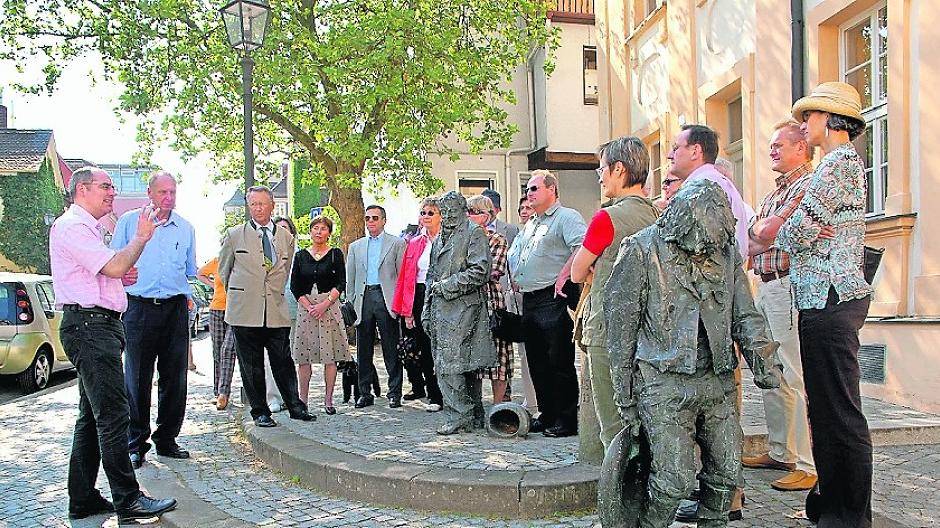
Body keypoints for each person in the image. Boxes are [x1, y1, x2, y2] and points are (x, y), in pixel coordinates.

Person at [601, 179, 781, 528]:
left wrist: (763, 361)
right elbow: (620, 332)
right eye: (699, 248)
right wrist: (625, 398)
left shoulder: (725, 250)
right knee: (674, 480)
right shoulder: (640, 250)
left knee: (728, 472)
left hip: (717, 379)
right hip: (662, 382)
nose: (706, 254)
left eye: (711, 248)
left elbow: (745, 315)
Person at [51, 166, 177, 523]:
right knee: (113, 415)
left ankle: (83, 499)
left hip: (95, 326)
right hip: (90, 329)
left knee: (91, 417)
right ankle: (128, 499)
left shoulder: (88, 228)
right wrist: (140, 239)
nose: (112, 192)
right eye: (106, 186)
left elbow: (109, 271)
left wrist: (117, 276)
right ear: (82, 190)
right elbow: (116, 266)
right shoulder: (73, 227)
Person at [776, 82, 874, 528]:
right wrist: (797, 227)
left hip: (832, 300)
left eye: (810, 116)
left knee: (838, 413)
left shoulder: (838, 164)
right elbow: (799, 229)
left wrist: (789, 228)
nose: (803, 124)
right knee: (826, 411)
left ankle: (848, 515)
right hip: (822, 299)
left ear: (833, 120)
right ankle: (831, 504)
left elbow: (793, 232)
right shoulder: (834, 164)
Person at [570, 136, 660, 449]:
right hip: (649, 331)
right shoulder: (658, 216)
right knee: (647, 420)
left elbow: (577, 272)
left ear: (619, 170)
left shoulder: (607, 218)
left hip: (608, 330)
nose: (600, 176)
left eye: (602, 169)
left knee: (613, 426)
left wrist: (596, 269)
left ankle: (620, 481)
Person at [743, 119, 817, 492]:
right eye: (771, 145)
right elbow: (752, 237)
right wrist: (762, 234)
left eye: (778, 145)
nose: (771, 151)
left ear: (800, 148)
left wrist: (763, 234)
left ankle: (807, 463)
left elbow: (770, 233)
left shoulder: (807, 185)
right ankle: (780, 450)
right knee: (770, 371)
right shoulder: (777, 192)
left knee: (794, 373)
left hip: (788, 285)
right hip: (766, 284)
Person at [111, 171, 196, 468]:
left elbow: (189, 270)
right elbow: (115, 263)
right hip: (139, 308)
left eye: (172, 192)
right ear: (149, 193)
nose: (168, 198)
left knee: (175, 377)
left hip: (174, 308)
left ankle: (167, 439)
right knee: (137, 377)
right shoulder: (128, 223)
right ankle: (136, 443)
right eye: (162, 192)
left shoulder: (185, 228)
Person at [218, 185, 316, 427]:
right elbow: (224, 271)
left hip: (275, 307)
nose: (258, 208)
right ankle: (260, 411)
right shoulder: (234, 235)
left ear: (272, 205)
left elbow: (285, 270)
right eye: (253, 204)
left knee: (283, 360)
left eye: (262, 203)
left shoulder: (286, 237)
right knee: (251, 365)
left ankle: (295, 406)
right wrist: (243, 294)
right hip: (244, 310)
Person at [507, 170, 586, 437]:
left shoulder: (566, 217)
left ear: (551, 189)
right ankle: (548, 413)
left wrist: (565, 274)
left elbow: (582, 246)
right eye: (527, 189)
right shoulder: (531, 223)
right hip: (530, 298)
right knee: (537, 362)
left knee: (559, 360)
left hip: (554, 297)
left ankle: (566, 419)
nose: (528, 194)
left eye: (534, 188)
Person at [423, 191, 496, 435]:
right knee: (455, 362)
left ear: (463, 210)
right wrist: (426, 309)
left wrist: (447, 286)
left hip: (464, 309)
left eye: (454, 210)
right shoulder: (439, 238)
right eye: (445, 211)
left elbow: (480, 271)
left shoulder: (474, 233)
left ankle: (460, 415)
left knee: (454, 364)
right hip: (440, 310)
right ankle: (472, 414)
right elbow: (431, 275)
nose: (449, 215)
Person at [346, 205, 406, 408]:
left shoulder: (397, 243)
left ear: (384, 220)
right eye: (367, 218)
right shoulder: (356, 246)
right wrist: (351, 303)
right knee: (363, 349)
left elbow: (401, 276)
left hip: (386, 297)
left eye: (374, 218)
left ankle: (394, 392)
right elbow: (351, 277)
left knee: (390, 347)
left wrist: (399, 304)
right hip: (363, 298)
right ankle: (365, 392)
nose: (370, 221)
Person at [290, 215, 351, 415]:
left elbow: (341, 282)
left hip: (329, 306)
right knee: (304, 358)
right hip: (306, 308)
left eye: (323, 228)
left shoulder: (335, 254)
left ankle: (328, 400)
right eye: (315, 228)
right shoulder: (300, 256)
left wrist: (325, 304)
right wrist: (309, 307)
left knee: (330, 356)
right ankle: (302, 400)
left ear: (329, 233)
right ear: (310, 231)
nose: (319, 232)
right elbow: (295, 286)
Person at [667, 124, 755, 259]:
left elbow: (705, 250)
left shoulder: (703, 187)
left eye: (675, 148)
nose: (669, 155)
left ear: (695, 151)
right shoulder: (712, 182)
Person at [392, 198, 444, 412]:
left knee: (444, 348)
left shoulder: (449, 240)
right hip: (420, 295)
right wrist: (407, 311)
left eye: (431, 212)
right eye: (423, 213)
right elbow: (407, 278)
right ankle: (434, 395)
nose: (426, 216)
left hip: (443, 294)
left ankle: (451, 394)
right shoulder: (414, 243)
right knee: (425, 348)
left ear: (441, 215)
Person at [467, 194, 513, 404]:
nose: (469, 216)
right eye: (468, 211)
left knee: (498, 356)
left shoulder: (497, 239)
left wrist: (466, 274)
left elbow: (493, 271)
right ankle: (474, 406)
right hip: (467, 304)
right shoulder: (461, 241)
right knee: (471, 358)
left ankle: (498, 406)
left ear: (487, 215)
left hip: (491, 302)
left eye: (474, 212)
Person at [196, 256, 237, 410]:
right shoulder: (217, 261)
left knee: (228, 349)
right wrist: (213, 285)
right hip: (216, 310)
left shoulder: (242, 260)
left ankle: (223, 393)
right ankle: (218, 391)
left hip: (236, 310)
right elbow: (200, 273)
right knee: (218, 351)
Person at [267, 215, 298, 413]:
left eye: (285, 228)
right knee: (271, 355)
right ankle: (273, 397)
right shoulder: (264, 251)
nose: (282, 232)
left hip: (294, 309)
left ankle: (291, 396)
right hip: (270, 309)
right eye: (278, 228)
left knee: (291, 355)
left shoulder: (300, 254)